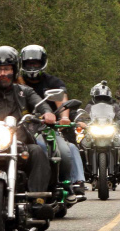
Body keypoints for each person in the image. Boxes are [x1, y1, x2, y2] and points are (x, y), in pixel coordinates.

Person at [0, 46, 55, 218]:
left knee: (37, 151)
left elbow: (39, 103)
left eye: (7, 69)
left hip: (18, 142)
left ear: (14, 71)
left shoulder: (25, 92)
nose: (3, 73)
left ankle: (37, 200)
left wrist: (47, 112)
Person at [20, 44, 86, 199]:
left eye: (36, 63)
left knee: (65, 149)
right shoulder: (17, 84)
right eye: (29, 63)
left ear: (43, 63)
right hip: (20, 129)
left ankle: (68, 183)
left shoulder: (52, 82)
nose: (32, 66)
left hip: (46, 128)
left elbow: (61, 99)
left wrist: (63, 117)